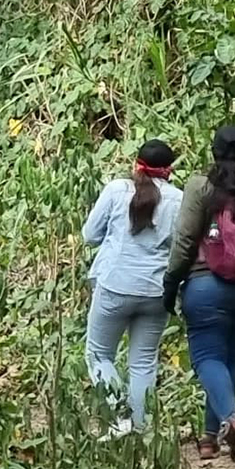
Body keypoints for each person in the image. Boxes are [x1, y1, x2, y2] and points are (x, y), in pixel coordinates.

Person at [162, 124, 235, 462]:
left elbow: (185, 241)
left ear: (213, 151)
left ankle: (233, 419)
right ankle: (209, 438)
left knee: (207, 358)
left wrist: (171, 284)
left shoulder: (201, 187)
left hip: (208, 287)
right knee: (229, 358)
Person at [82, 140, 183, 435]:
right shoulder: (178, 199)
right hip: (156, 291)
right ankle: (140, 428)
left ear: (136, 164)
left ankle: (119, 415)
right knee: (143, 362)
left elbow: (90, 235)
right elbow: (182, 246)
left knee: (99, 355)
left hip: (115, 285)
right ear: (169, 170)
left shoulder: (117, 190)